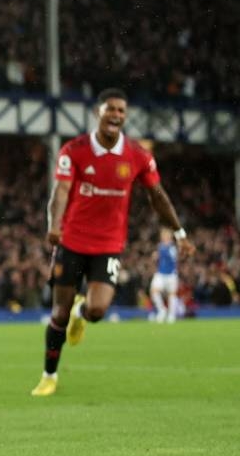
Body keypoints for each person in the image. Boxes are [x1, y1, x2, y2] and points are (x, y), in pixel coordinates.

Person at [31, 88, 195, 397]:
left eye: (121, 111)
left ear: (125, 116)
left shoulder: (137, 156)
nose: (116, 115)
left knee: (97, 310)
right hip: (71, 241)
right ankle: (48, 376)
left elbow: (157, 197)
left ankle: (82, 315)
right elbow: (61, 192)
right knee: (57, 315)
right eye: (111, 110)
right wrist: (54, 226)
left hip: (108, 244)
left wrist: (180, 233)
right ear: (98, 113)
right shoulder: (74, 150)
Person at [150, 227, 181, 323]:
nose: (163, 237)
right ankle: (162, 310)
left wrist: (160, 253)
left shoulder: (172, 247)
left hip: (171, 274)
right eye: (162, 235)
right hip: (161, 273)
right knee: (154, 291)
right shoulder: (160, 246)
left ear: (169, 236)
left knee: (171, 294)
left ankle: (171, 315)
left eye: (165, 235)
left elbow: (173, 258)